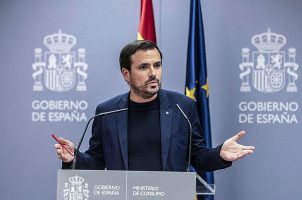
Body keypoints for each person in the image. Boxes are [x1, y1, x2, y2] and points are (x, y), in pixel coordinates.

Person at [55, 40, 255, 173]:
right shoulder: (107, 112)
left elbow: (198, 157)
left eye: (157, 65)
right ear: (126, 74)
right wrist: (73, 159)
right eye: (143, 67)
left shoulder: (183, 108)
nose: (153, 73)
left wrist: (219, 154)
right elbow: (97, 161)